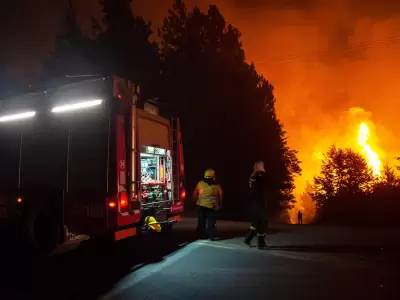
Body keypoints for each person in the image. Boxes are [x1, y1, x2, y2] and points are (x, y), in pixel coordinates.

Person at [193, 169, 223, 241]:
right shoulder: (217, 186)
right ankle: (211, 236)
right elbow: (220, 196)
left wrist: (194, 203)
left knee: (201, 221)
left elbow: (194, 194)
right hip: (212, 207)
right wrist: (220, 205)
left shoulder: (200, 183)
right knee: (211, 222)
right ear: (213, 177)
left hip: (201, 206)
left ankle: (200, 235)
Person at [244, 161, 267, 248]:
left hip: (255, 202)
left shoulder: (253, 176)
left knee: (256, 223)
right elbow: (264, 184)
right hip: (258, 202)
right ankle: (260, 244)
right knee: (261, 223)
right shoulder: (259, 175)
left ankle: (248, 239)